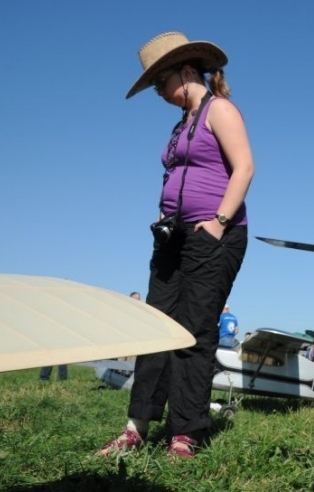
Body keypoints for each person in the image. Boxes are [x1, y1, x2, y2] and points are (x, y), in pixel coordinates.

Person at [98, 31, 254, 459]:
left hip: (215, 235)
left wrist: (219, 222)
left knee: (194, 331)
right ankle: (136, 427)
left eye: (161, 84)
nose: (160, 93)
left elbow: (244, 167)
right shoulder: (179, 123)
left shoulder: (218, 110)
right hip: (173, 236)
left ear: (186, 72)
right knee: (155, 330)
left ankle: (184, 433)